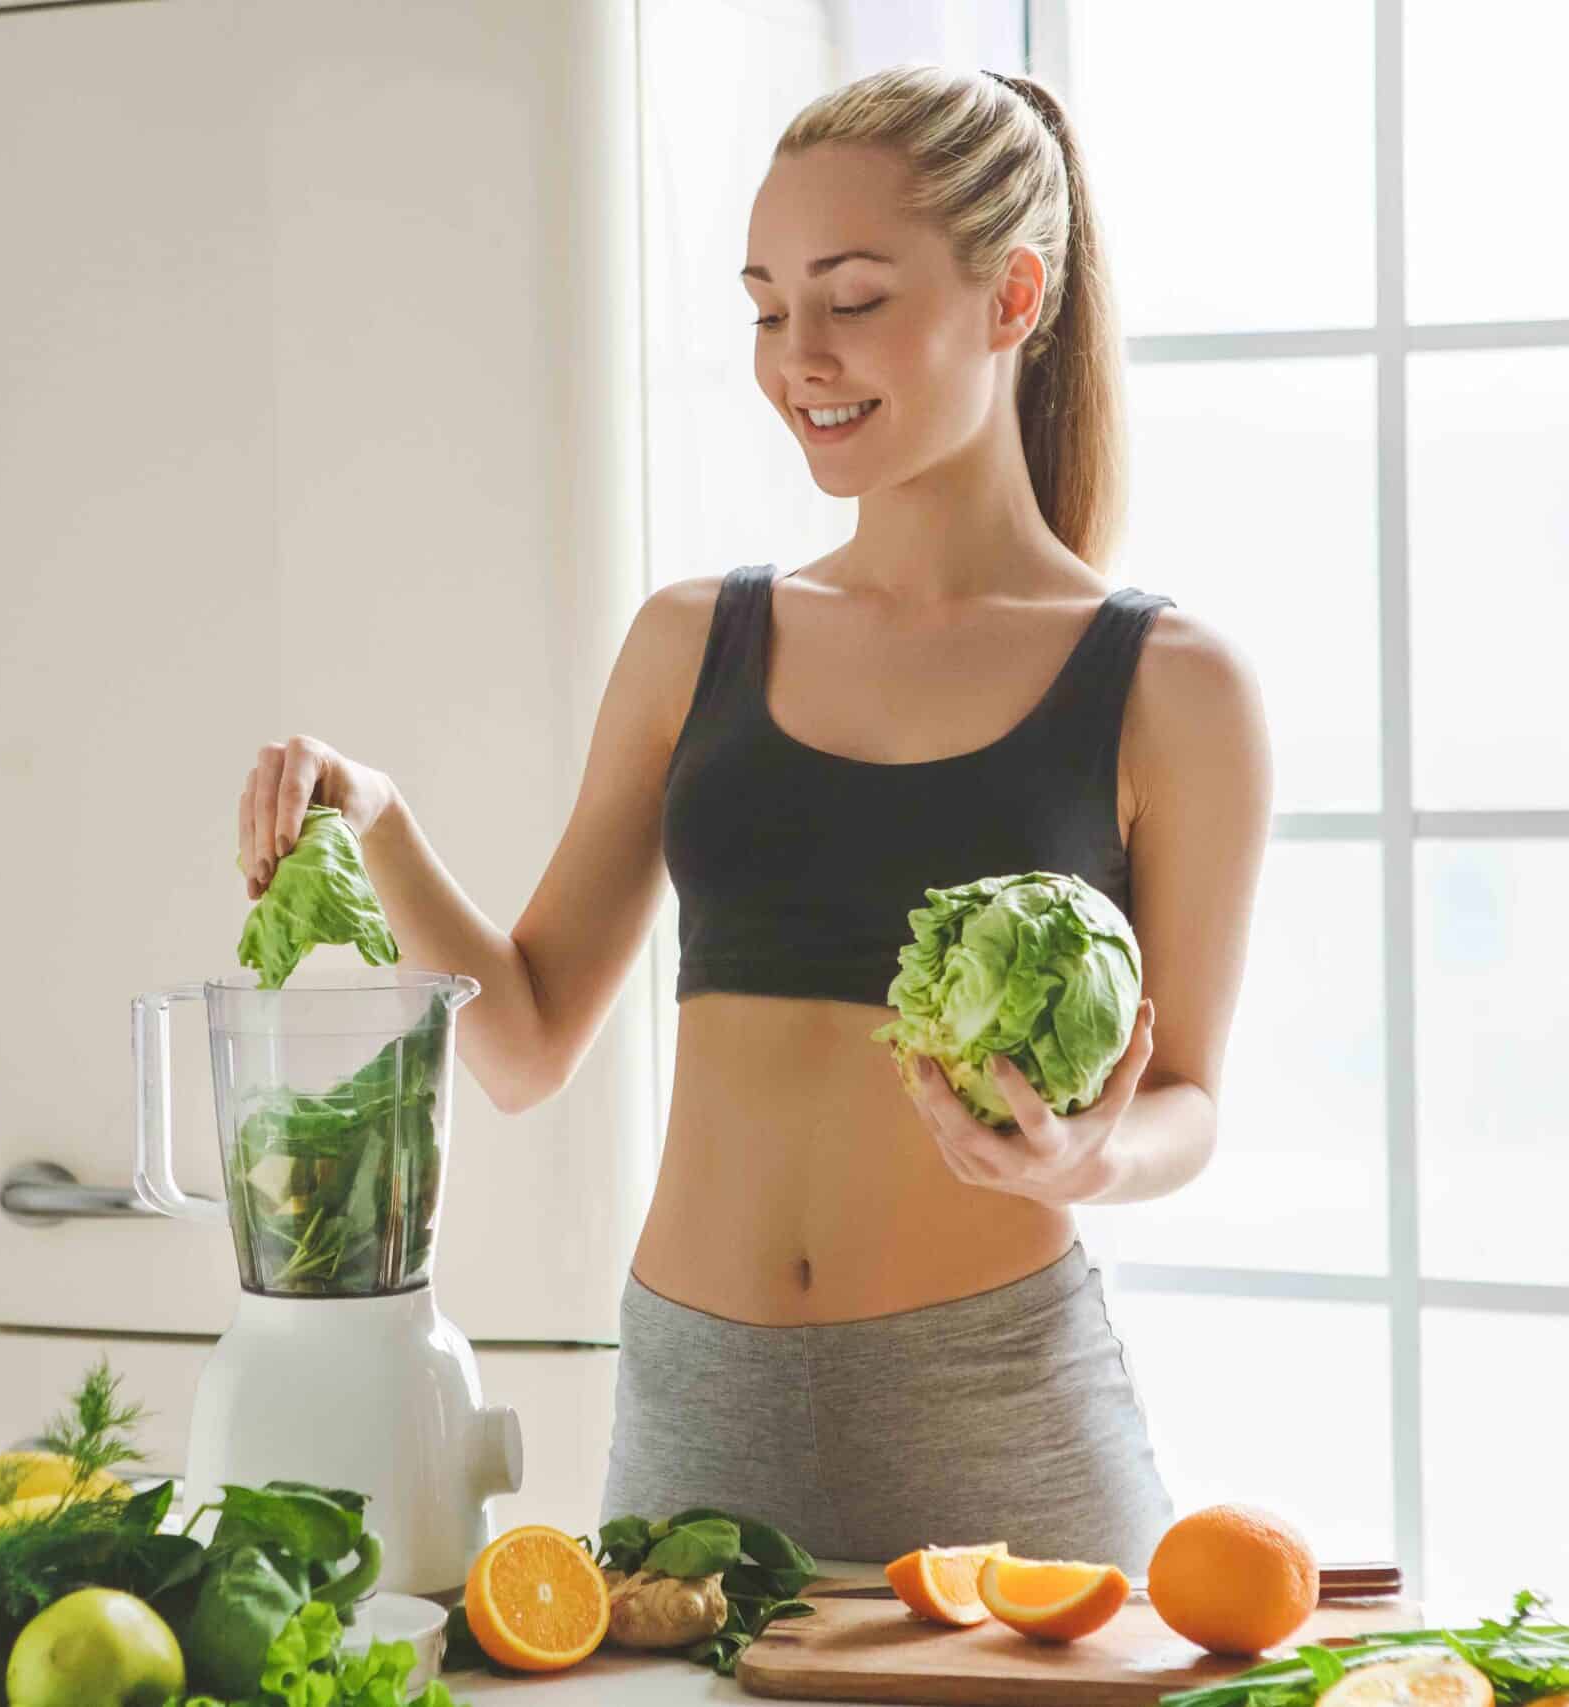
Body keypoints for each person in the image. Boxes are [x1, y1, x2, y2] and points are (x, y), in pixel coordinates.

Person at [234, 63, 1271, 1573]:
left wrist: (1084, 1163)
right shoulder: (693, 642)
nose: (801, 358)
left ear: (1013, 296)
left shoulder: (1171, 685)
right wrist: (378, 817)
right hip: (698, 1410)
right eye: (767, 307)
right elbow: (522, 1041)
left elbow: (1186, 1100)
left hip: (995, 1408)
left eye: (851, 299)